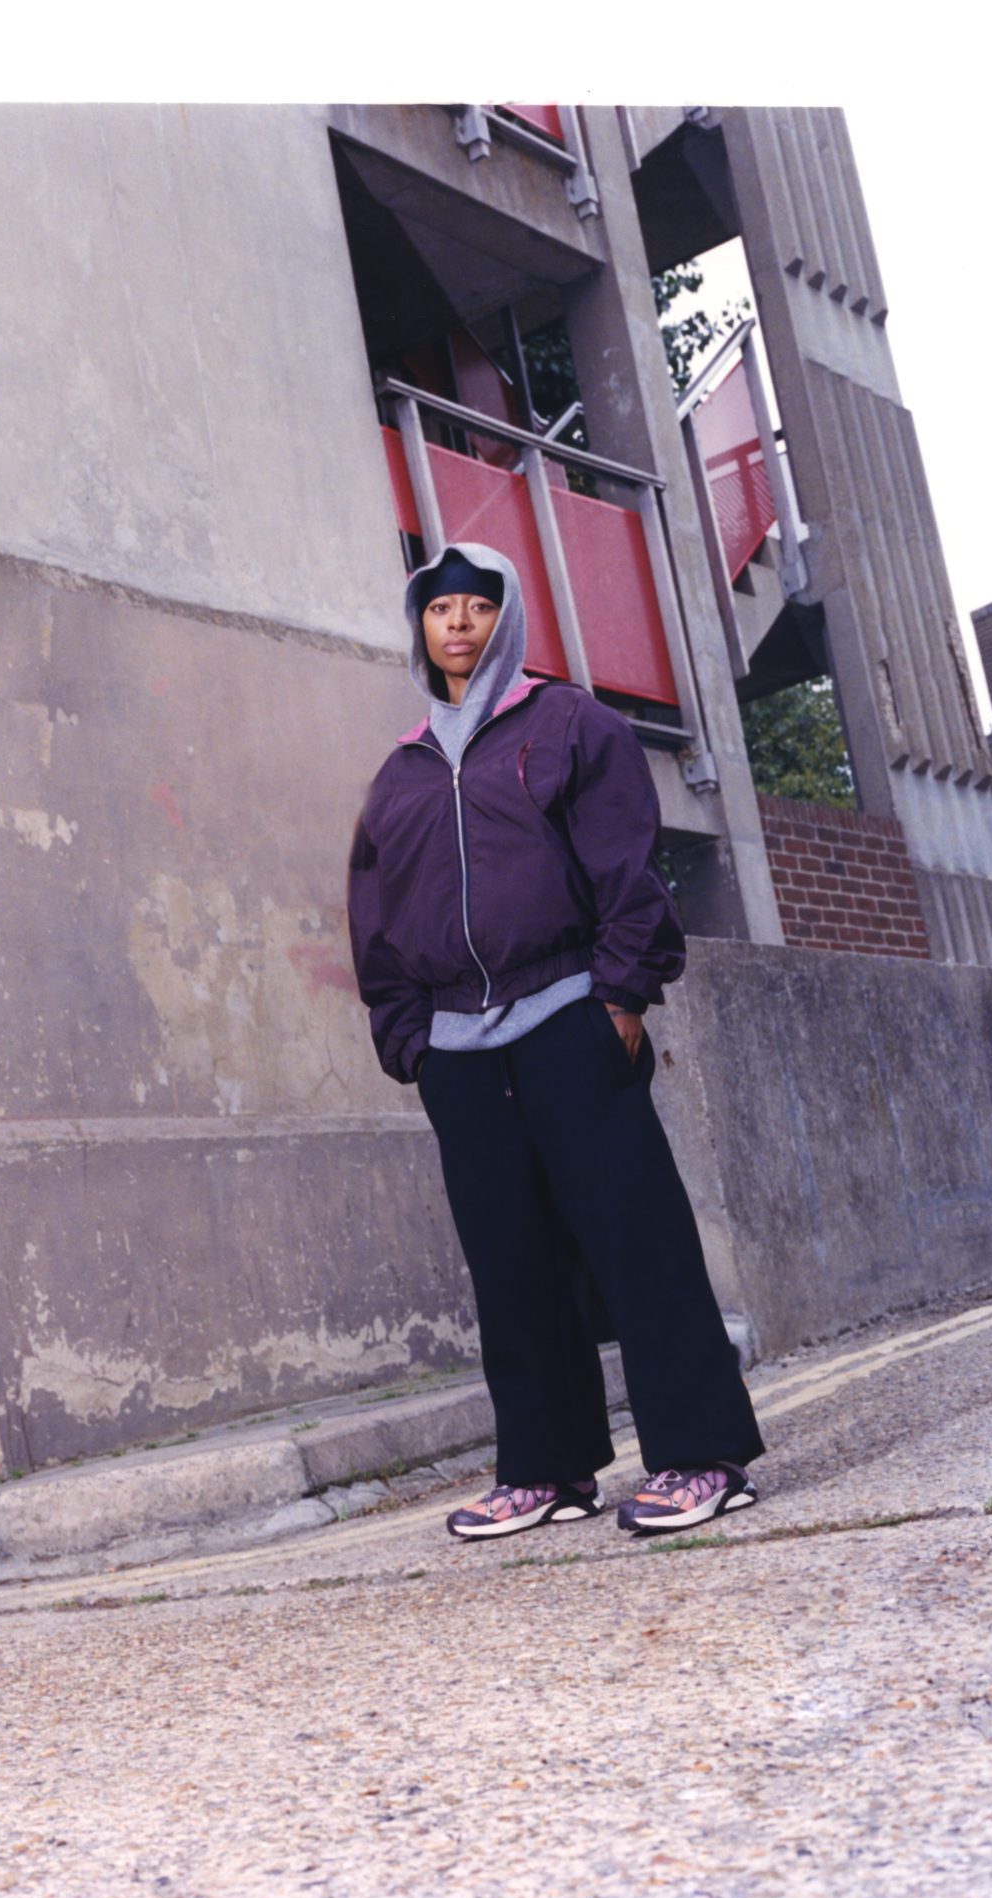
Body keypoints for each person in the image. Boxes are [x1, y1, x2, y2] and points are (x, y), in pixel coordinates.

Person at [346, 539, 766, 1539]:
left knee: (636, 1240)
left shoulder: (571, 724)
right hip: (458, 1050)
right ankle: (547, 1470)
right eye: (438, 608)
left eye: (476, 605)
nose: (457, 622)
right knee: (511, 1264)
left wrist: (619, 997)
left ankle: (702, 1456)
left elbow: (628, 867)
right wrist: (409, 1038)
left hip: (569, 1014)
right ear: (420, 627)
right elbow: (374, 911)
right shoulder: (401, 772)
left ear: (507, 618)